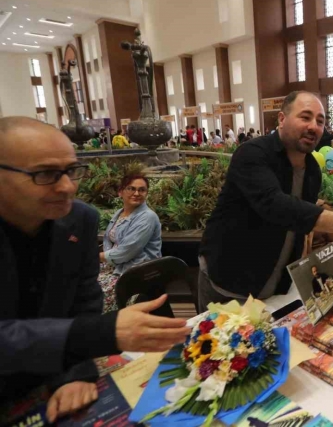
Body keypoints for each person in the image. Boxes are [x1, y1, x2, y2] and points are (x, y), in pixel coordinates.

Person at [0, 118, 191, 421]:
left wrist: (76, 373)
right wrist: (98, 334)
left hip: (49, 386)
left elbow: (83, 301)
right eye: (46, 174)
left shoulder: (80, 220)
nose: (67, 187)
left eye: (72, 171)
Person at [198, 91, 333, 310]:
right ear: (281, 119)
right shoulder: (252, 154)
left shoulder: (312, 169)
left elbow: (299, 222)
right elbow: (273, 204)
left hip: (276, 287)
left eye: (320, 121)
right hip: (230, 285)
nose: (313, 126)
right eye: (305, 117)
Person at [98, 175, 162, 312]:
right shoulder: (119, 214)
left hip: (135, 271)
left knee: (94, 291)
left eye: (142, 190)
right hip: (115, 267)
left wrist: (97, 256)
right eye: (131, 189)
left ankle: (109, 328)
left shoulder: (147, 217)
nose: (137, 193)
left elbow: (126, 251)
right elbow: (109, 242)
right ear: (120, 192)